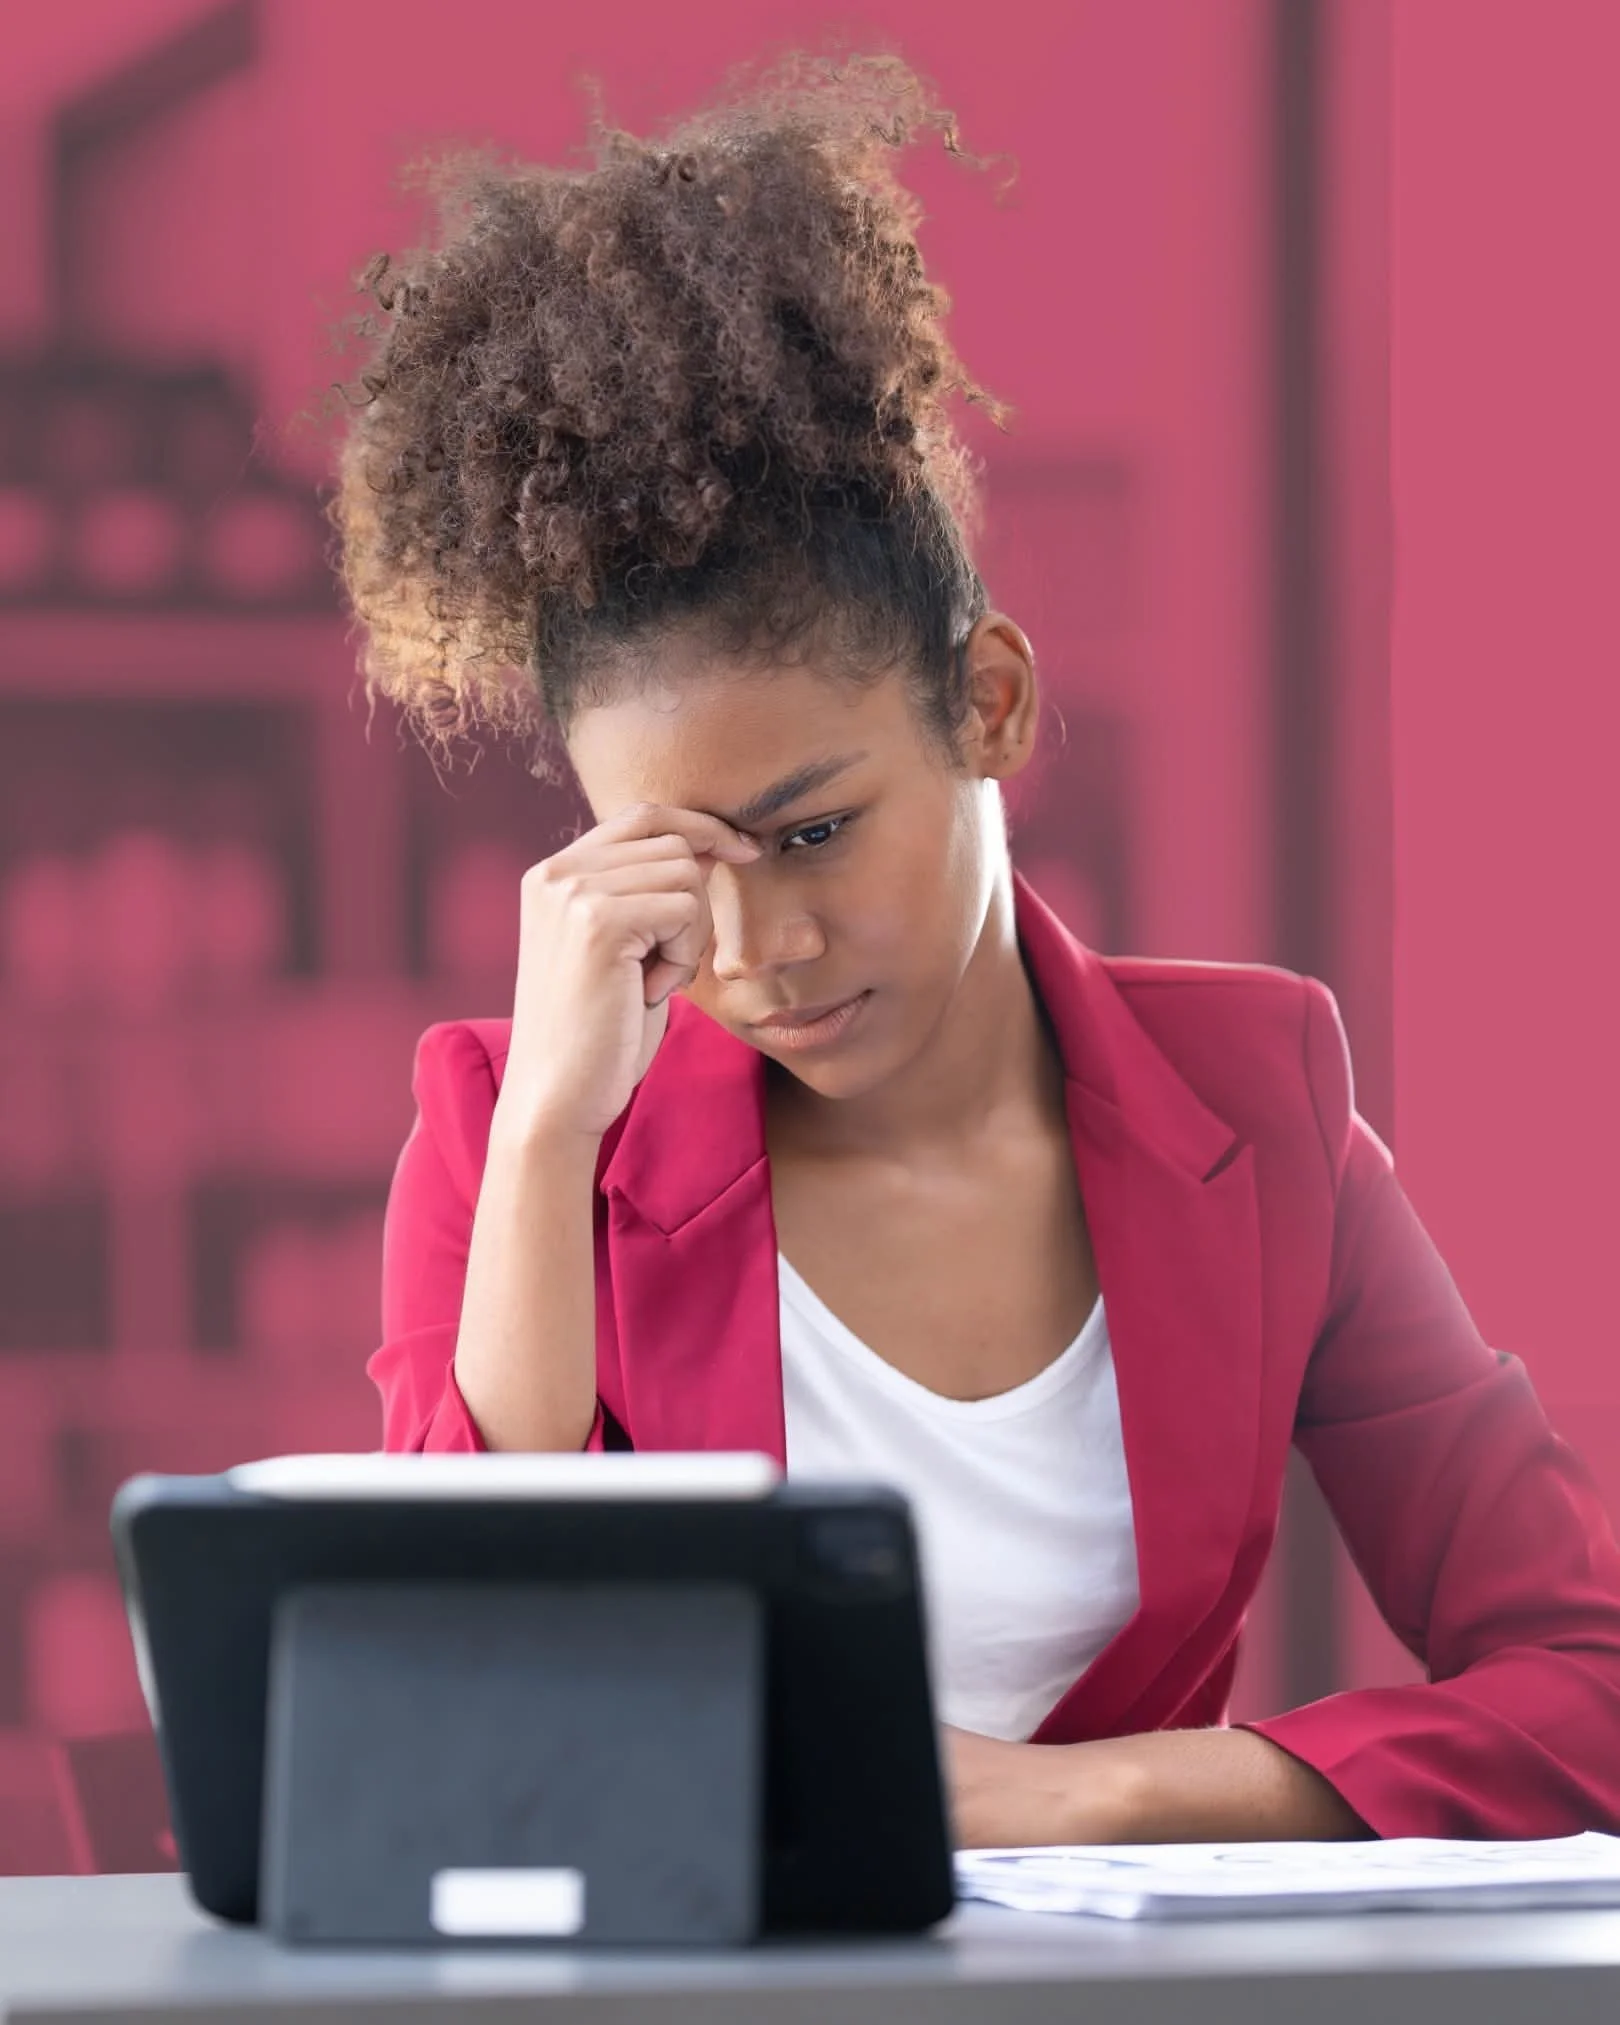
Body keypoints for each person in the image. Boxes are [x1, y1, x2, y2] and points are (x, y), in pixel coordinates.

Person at [331, 55, 1620, 1850]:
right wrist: (550, 1150)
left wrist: (1086, 1801)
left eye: (815, 832)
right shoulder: (508, 1131)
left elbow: (1587, 1679)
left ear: (987, 705)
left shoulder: (1259, 1102)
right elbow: (441, 1724)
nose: (761, 948)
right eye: (678, 870)